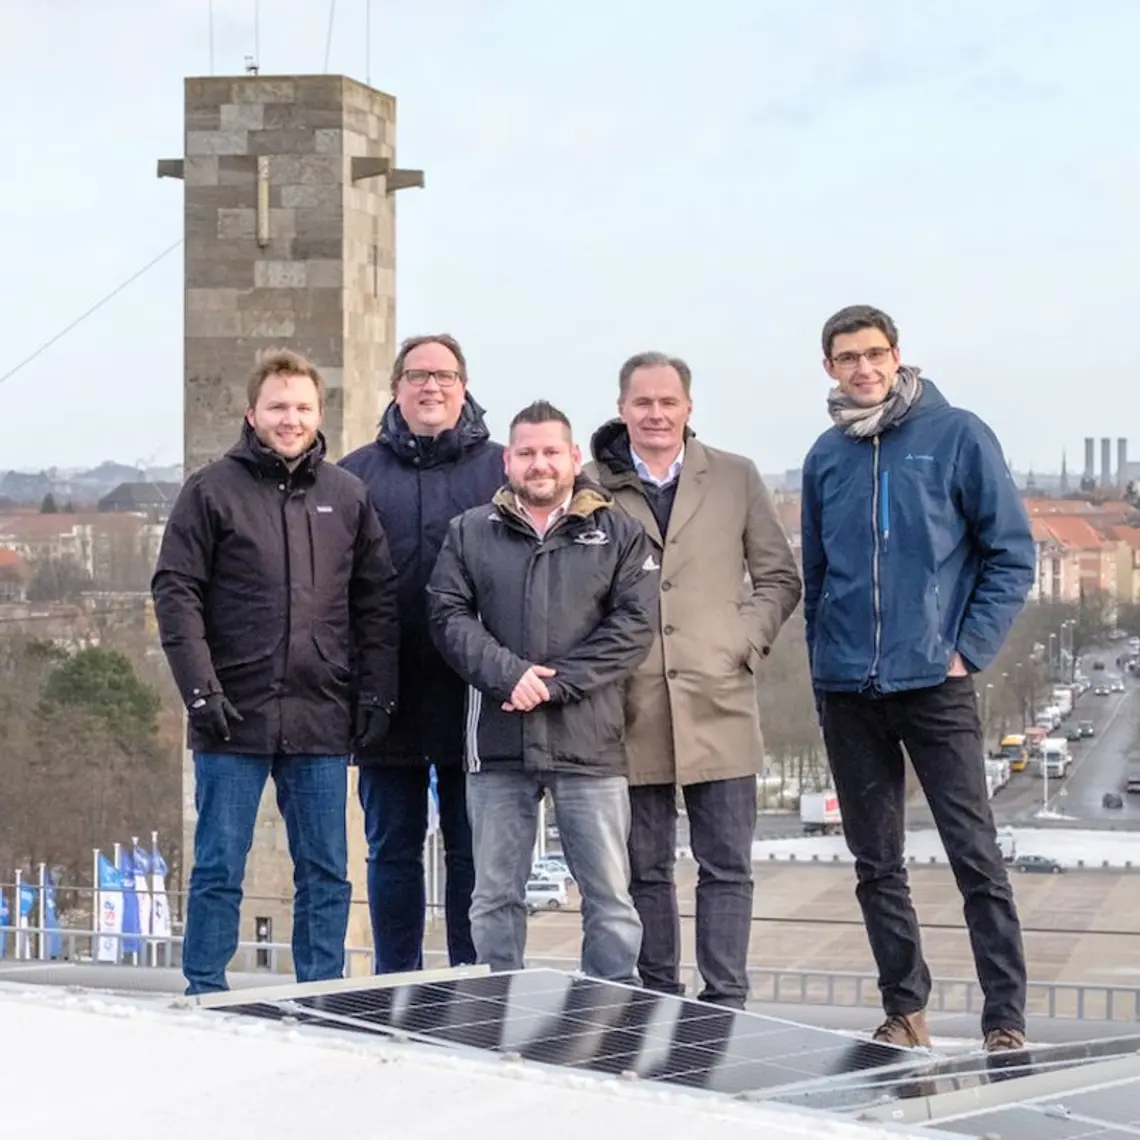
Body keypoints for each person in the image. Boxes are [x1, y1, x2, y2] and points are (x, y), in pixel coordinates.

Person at [801, 304, 1035, 1052]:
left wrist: (966, 649)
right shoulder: (825, 456)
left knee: (976, 855)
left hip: (934, 683)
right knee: (875, 864)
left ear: (899, 356)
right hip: (849, 688)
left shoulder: (957, 434)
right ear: (829, 368)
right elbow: (818, 575)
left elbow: (1011, 554)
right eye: (847, 358)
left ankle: (1005, 1020)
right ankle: (906, 1010)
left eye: (875, 354)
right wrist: (820, 667)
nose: (863, 368)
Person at [152, 348, 399, 996]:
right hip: (231, 715)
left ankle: (321, 993)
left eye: (302, 407)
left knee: (325, 871)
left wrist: (375, 692)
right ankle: (204, 987)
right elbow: (176, 593)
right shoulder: (210, 492)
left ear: (321, 414)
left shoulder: (347, 496)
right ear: (251, 412)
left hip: (320, 714)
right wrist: (199, 689)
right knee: (218, 866)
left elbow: (376, 601)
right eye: (278, 407)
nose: (290, 419)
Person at [587, 353, 802, 1009]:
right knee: (644, 869)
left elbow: (779, 577)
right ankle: (656, 995)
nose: (656, 414)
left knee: (727, 866)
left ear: (688, 407)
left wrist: (740, 640)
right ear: (622, 408)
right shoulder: (591, 485)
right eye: (643, 402)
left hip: (718, 698)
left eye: (668, 402)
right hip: (629, 703)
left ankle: (725, 999)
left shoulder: (734, 477)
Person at [426, 400, 657, 981]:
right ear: (508, 460)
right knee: (495, 897)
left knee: (609, 900)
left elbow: (632, 628)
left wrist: (553, 688)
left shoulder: (620, 535)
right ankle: (497, 1007)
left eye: (551, 451)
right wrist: (510, 676)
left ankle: (609, 1018)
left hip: (591, 745)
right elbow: (448, 617)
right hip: (498, 745)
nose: (540, 464)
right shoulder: (469, 532)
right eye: (527, 453)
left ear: (574, 457)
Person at [339, 334, 504, 974]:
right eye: (416, 375)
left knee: (472, 851)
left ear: (464, 386)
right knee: (391, 849)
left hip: (477, 693)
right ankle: (394, 981)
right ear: (395, 387)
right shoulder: (355, 474)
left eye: (444, 375)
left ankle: (471, 980)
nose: (430, 386)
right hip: (387, 692)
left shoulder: (499, 470)